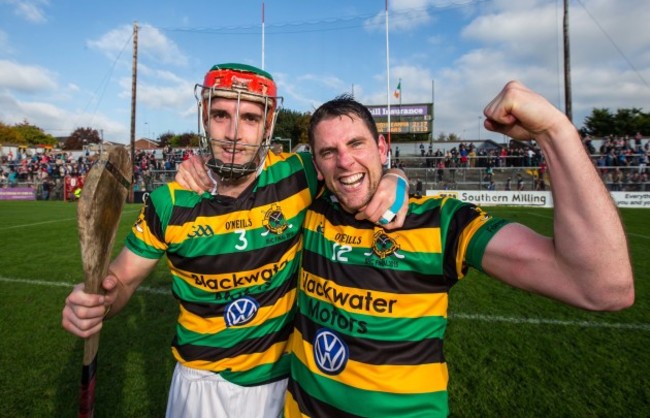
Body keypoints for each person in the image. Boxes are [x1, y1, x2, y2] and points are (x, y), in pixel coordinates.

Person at [61, 63, 408, 418]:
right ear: (203, 117)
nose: (234, 134)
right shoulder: (169, 202)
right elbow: (122, 280)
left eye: (251, 118)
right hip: (199, 386)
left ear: (268, 125)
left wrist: (395, 176)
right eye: (221, 115)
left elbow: (353, 169)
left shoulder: (299, 174)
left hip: (285, 384)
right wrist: (98, 301)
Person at [282, 85, 634, 417]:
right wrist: (396, 176)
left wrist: (556, 132)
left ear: (382, 148)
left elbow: (602, 286)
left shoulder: (443, 222)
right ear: (317, 164)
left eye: (356, 144)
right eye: (329, 152)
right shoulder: (305, 212)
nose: (344, 161)